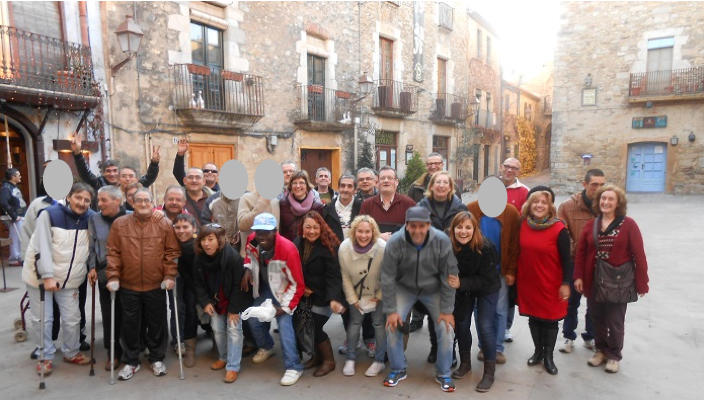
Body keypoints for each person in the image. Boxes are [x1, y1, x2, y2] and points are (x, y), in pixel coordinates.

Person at [106, 188, 181, 381]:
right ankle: (131, 361)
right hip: (128, 285)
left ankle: (156, 358)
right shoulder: (120, 224)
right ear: (132, 202)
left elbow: (171, 252)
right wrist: (113, 277)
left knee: (157, 323)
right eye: (138, 200)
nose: (143, 204)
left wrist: (169, 275)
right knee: (130, 324)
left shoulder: (164, 224)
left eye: (147, 200)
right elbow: (113, 252)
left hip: (155, 284)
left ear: (153, 202)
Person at [381, 207, 458, 392]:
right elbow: (387, 277)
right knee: (391, 325)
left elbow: (449, 276)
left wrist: (447, 310)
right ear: (406, 225)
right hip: (404, 287)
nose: (417, 230)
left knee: (446, 328)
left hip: (433, 288)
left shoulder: (441, 240)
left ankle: (444, 372)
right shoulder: (395, 242)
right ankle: (398, 368)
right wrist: (391, 310)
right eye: (412, 226)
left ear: (429, 225)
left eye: (421, 226)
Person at [22, 183, 96, 376]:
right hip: (40, 275)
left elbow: (92, 247)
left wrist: (92, 268)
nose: (82, 203)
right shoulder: (49, 214)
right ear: (69, 196)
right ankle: (44, 356)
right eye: (78, 197)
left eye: (86, 200)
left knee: (73, 319)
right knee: (43, 319)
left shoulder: (90, 218)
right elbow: (42, 247)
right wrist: (47, 276)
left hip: (70, 278)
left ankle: (71, 352)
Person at [574, 185, 649, 374]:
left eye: (611, 199)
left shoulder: (629, 224)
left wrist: (642, 283)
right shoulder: (592, 225)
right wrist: (578, 277)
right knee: (597, 318)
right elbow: (581, 253)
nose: (606, 202)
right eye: (603, 199)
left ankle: (614, 355)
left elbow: (639, 255)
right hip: (594, 281)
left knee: (615, 321)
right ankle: (600, 350)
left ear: (618, 203)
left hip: (618, 283)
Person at [242, 213, 305, 386]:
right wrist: (247, 268)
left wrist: (284, 308)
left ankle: (294, 367)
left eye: (266, 232)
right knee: (253, 319)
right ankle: (267, 346)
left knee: (285, 327)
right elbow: (248, 255)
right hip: (264, 289)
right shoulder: (253, 239)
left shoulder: (288, 249)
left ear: (275, 231)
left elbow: (298, 284)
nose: (261, 235)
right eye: (258, 231)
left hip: (284, 293)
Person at [517, 186, 571, 375]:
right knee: (534, 318)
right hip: (529, 281)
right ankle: (538, 352)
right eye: (536, 201)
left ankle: (548, 356)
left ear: (550, 207)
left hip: (551, 283)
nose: (539, 205)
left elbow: (567, 260)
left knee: (550, 320)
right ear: (529, 204)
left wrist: (566, 283)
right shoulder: (523, 223)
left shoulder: (559, 228)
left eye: (544, 202)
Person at [415, 171, 466, 362]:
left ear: (451, 187)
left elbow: (467, 231)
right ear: (432, 186)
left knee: (449, 310)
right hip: (428, 266)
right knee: (431, 310)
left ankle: (450, 351)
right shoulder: (421, 206)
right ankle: (435, 348)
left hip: (453, 265)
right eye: (438, 182)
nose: (442, 185)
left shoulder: (460, 207)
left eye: (446, 182)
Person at [447, 211, 500, 391]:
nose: (463, 231)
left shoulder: (486, 247)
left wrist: (461, 282)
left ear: (474, 229)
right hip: (463, 289)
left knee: (484, 326)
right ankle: (465, 363)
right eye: (459, 227)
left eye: (468, 227)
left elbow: (487, 278)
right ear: (453, 230)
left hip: (486, 287)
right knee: (461, 324)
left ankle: (489, 373)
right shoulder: (450, 246)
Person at [193, 223, 252, 383]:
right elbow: (197, 283)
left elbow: (238, 287)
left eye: (210, 239)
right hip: (214, 300)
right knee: (217, 329)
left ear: (219, 240)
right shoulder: (199, 258)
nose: (206, 243)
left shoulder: (232, 258)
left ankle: (233, 367)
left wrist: (233, 310)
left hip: (233, 299)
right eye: (203, 239)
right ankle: (223, 357)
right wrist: (205, 302)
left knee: (234, 330)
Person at [557, 169, 605, 353]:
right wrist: (577, 248)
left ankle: (591, 335)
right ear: (585, 185)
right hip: (574, 262)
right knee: (571, 302)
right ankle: (568, 336)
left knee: (596, 302)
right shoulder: (568, 207)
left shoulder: (607, 206)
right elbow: (561, 236)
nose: (598, 188)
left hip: (599, 264)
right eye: (594, 184)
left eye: (602, 184)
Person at [466, 197, 520, 364]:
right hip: (478, 270)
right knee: (479, 309)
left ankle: (497, 347)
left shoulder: (510, 212)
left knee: (499, 309)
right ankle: (484, 345)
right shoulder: (471, 208)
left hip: (500, 271)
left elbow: (514, 243)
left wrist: (511, 270)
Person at [293, 211, 345, 377]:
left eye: (316, 227)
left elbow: (334, 275)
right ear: (302, 228)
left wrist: (333, 299)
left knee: (315, 325)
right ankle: (316, 356)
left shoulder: (329, 246)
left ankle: (329, 361)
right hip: (306, 295)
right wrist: (302, 287)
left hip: (325, 296)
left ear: (322, 228)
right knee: (303, 323)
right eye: (308, 227)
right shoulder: (298, 243)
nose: (312, 231)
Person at [338, 215, 387, 377]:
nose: (363, 235)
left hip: (377, 293)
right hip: (356, 294)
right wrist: (352, 299)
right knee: (354, 323)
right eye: (360, 231)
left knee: (379, 324)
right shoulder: (344, 248)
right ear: (354, 231)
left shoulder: (382, 247)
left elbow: (388, 274)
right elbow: (344, 276)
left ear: (373, 232)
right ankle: (350, 358)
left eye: (368, 231)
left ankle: (379, 360)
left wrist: (380, 295)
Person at [87, 186, 129, 371]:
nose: (99, 203)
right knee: (109, 313)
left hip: (130, 270)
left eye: (104, 200)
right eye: (99, 199)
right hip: (105, 270)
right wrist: (92, 267)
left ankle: (131, 350)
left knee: (129, 312)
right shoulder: (94, 219)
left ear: (117, 201)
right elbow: (91, 247)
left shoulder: (130, 216)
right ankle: (113, 352)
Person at [71, 134, 160, 210]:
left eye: (115, 171)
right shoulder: (98, 184)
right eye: (108, 171)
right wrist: (78, 154)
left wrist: (154, 163)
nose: (112, 174)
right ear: (103, 173)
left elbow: (149, 178)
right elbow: (85, 173)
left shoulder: (133, 186)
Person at [499, 157, 529, 343]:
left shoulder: (524, 191)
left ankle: (506, 327)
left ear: (518, 171)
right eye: (507, 166)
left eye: (514, 168)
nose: (509, 170)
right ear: (501, 167)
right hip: (492, 247)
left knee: (509, 291)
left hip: (511, 249)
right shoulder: (491, 186)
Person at [172, 214, 202, 368]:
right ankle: (190, 349)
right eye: (177, 227)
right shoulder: (174, 247)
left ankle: (218, 342)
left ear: (194, 228)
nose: (181, 230)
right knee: (189, 309)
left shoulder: (201, 245)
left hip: (205, 284)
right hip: (188, 283)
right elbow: (183, 272)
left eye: (185, 227)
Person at [279, 171, 341, 241]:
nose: (298, 186)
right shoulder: (283, 204)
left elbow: (322, 230)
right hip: (289, 246)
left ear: (307, 186)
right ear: (290, 185)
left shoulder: (317, 206)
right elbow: (280, 229)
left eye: (301, 183)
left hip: (310, 247)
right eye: (294, 183)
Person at [359, 166, 416, 240]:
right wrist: (377, 236)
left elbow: (417, 230)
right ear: (377, 183)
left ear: (396, 182)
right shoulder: (367, 205)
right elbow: (360, 230)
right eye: (382, 178)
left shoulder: (408, 204)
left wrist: (396, 237)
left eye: (390, 178)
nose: (386, 180)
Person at [1, 168, 27, 265]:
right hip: (14, 217)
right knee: (15, 237)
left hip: (19, 215)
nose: (20, 176)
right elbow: (4, 202)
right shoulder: (6, 188)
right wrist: (14, 215)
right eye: (18, 175)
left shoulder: (12, 186)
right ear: (13, 177)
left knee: (20, 236)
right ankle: (14, 259)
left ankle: (19, 256)